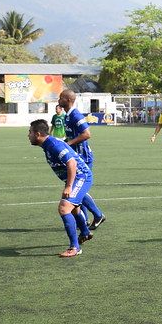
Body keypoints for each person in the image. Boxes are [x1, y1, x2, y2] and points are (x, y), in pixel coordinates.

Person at [28, 119, 93, 258]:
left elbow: (72, 163)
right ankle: (85, 232)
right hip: (76, 178)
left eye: (30, 132)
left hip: (81, 177)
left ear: (38, 134)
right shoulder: (48, 144)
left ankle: (74, 247)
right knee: (74, 208)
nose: (28, 135)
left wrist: (69, 186)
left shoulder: (53, 145)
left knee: (64, 208)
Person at [57, 90, 106, 230]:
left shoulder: (75, 115)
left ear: (68, 100)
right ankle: (84, 220)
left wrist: (69, 144)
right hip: (75, 157)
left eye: (61, 98)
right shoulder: (67, 115)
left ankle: (97, 215)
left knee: (77, 189)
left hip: (83, 157)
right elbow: (72, 135)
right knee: (76, 189)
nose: (58, 100)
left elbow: (86, 134)